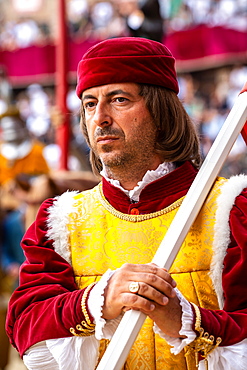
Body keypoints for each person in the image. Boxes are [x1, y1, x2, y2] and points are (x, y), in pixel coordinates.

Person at [5, 37, 247, 370]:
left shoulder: (232, 210)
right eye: (90, 104)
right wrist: (94, 302)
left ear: (161, 112)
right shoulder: (59, 222)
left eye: (119, 99)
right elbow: (27, 327)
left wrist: (185, 321)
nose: (100, 118)